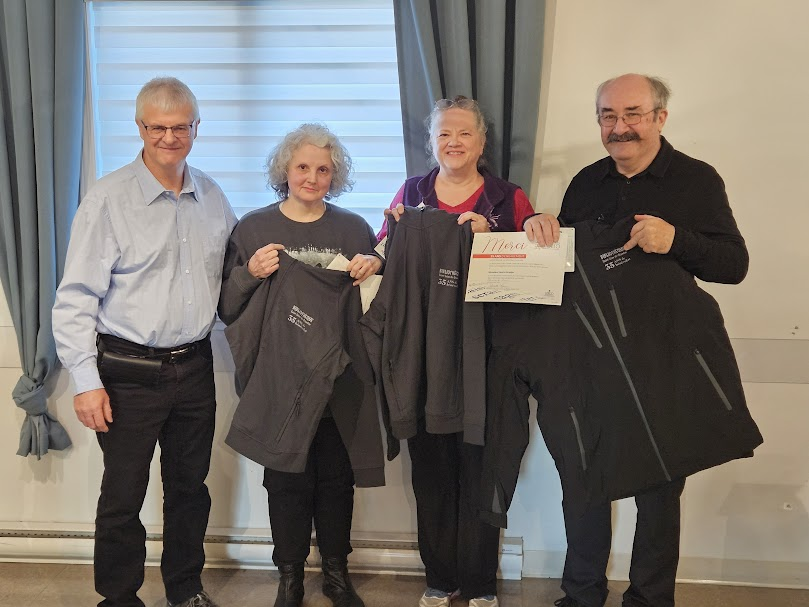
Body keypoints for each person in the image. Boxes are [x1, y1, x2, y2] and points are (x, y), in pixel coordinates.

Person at [551, 74, 749, 607]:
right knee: (585, 479)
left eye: (633, 114)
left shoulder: (696, 180)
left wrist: (676, 239)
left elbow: (734, 265)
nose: (620, 127)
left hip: (666, 360)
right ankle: (581, 596)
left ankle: (650, 599)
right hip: (592, 361)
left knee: (660, 490)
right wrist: (543, 232)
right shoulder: (585, 183)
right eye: (608, 116)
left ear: (660, 117)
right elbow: (565, 269)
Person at [52, 77, 236, 607]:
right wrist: (85, 382)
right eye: (158, 127)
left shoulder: (213, 196)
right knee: (123, 496)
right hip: (127, 372)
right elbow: (76, 297)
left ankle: (185, 590)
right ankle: (118, 598)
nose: (169, 138)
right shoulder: (108, 199)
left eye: (180, 127)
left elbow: (234, 274)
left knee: (189, 490)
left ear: (197, 128)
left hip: (195, 368)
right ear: (140, 128)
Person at [379, 96, 559, 607]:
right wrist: (384, 242)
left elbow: (534, 263)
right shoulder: (411, 194)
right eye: (443, 134)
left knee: (482, 469)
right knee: (431, 471)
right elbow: (383, 254)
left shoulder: (507, 198)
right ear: (431, 142)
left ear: (482, 143)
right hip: (423, 360)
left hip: (489, 360)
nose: (453, 142)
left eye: (464, 134)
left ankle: (479, 583)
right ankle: (439, 579)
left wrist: (496, 236)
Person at [218, 123, 383, 607]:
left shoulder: (353, 229)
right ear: (284, 170)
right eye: (303, 167)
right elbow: (226, 307)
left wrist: (375, 266)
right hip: (278, 381)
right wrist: (250, 273)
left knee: (337, 479)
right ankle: (289, 577)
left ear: (335, 175)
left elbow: (375, 305)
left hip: (341, 378)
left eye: (323, 169)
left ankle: (336, 574)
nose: (312, 177)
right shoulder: (253, 229)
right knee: (285, 481)